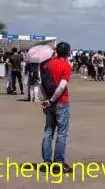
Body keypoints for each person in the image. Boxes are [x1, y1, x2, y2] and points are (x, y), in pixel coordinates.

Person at [40, 42, 72, 173]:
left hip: (49, 101)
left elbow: (42, 83)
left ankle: (46, 162)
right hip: (61, 101)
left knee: (48, 131)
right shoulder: (66, 65)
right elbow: (61, 86)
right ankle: (58, 162)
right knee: (62, 133)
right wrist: (52, 100)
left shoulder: (48, 64)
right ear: (68, 52)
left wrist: (46, 100)